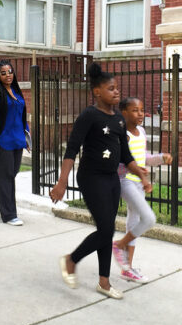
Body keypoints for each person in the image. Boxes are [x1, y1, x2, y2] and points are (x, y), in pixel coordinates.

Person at [49, 63, 151, 300]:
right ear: (97, 92)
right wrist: (62, 182)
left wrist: (142, 174)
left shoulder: (118, 118)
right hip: (91, 178)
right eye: (111, 88)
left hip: (113, 179)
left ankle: (104, 282)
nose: (117, 92)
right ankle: (71, 260)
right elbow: (72, 149)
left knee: (107, 228)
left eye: (117, 88)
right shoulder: (89, 116)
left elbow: (126, 155)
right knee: (106, 229)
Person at [112, 97, 172, 283]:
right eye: (135, 110)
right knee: (149, 218)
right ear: (124, 113)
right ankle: (119, 245)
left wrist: (160, 158)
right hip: (126, 182)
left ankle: (127, 268)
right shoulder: (122, 135)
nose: (140, 114)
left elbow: (143, 157)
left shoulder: (142, 132)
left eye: (141, 110)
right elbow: (120, 162)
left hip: (138, 182)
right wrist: (139, 173)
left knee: (134, 223)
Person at [0, 60, 29, 226]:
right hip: (1, 140)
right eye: (3, 73)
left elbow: (22, 117)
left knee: (10, 174)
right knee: (7, 176)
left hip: (17, 139)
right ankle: (9, 215)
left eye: (10, 72)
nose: (8, 75)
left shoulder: (16, 91)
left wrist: (27, 138)